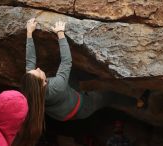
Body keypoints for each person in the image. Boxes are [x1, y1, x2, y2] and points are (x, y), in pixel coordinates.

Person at [20, 18, 150, 145]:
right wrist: (60, 33)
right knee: (109, 96)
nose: (37, 68)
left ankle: (101, 74)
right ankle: (140, 103)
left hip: (64, 102)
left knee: (74, 74)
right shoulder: (56, 86)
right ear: (41, 83)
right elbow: (66, 61)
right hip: (80, 107)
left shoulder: (32, 85)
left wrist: (29, 33)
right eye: (37, 72)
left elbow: (30, 61)